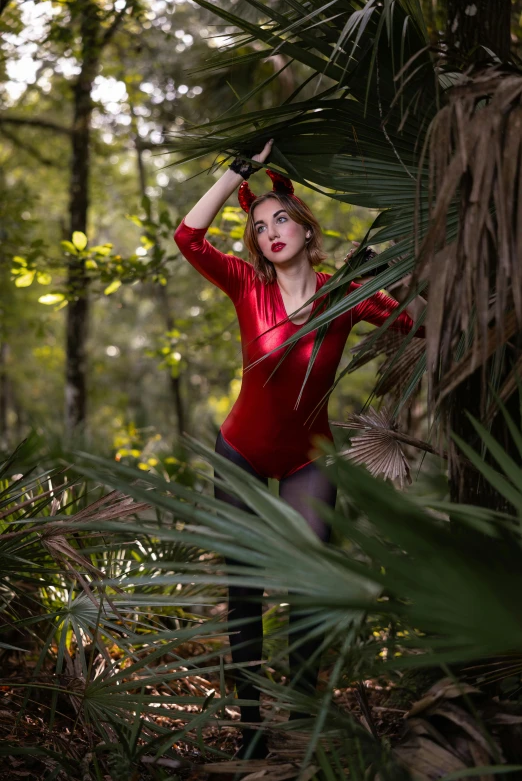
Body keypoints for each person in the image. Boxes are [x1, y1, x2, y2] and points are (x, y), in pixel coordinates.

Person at [174, 139, 423, 758]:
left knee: (311, 584)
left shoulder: (345, 295)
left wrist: (382, 276)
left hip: (309, 458)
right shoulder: (244, 286)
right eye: (259, 227)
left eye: (281, 218)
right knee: (245, 586)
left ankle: (307, 715)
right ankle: (253, 724)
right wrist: (239, 172)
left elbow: (411, 325)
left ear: (307, 230)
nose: (270, 232)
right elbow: (188, 239)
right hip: (240, 450)